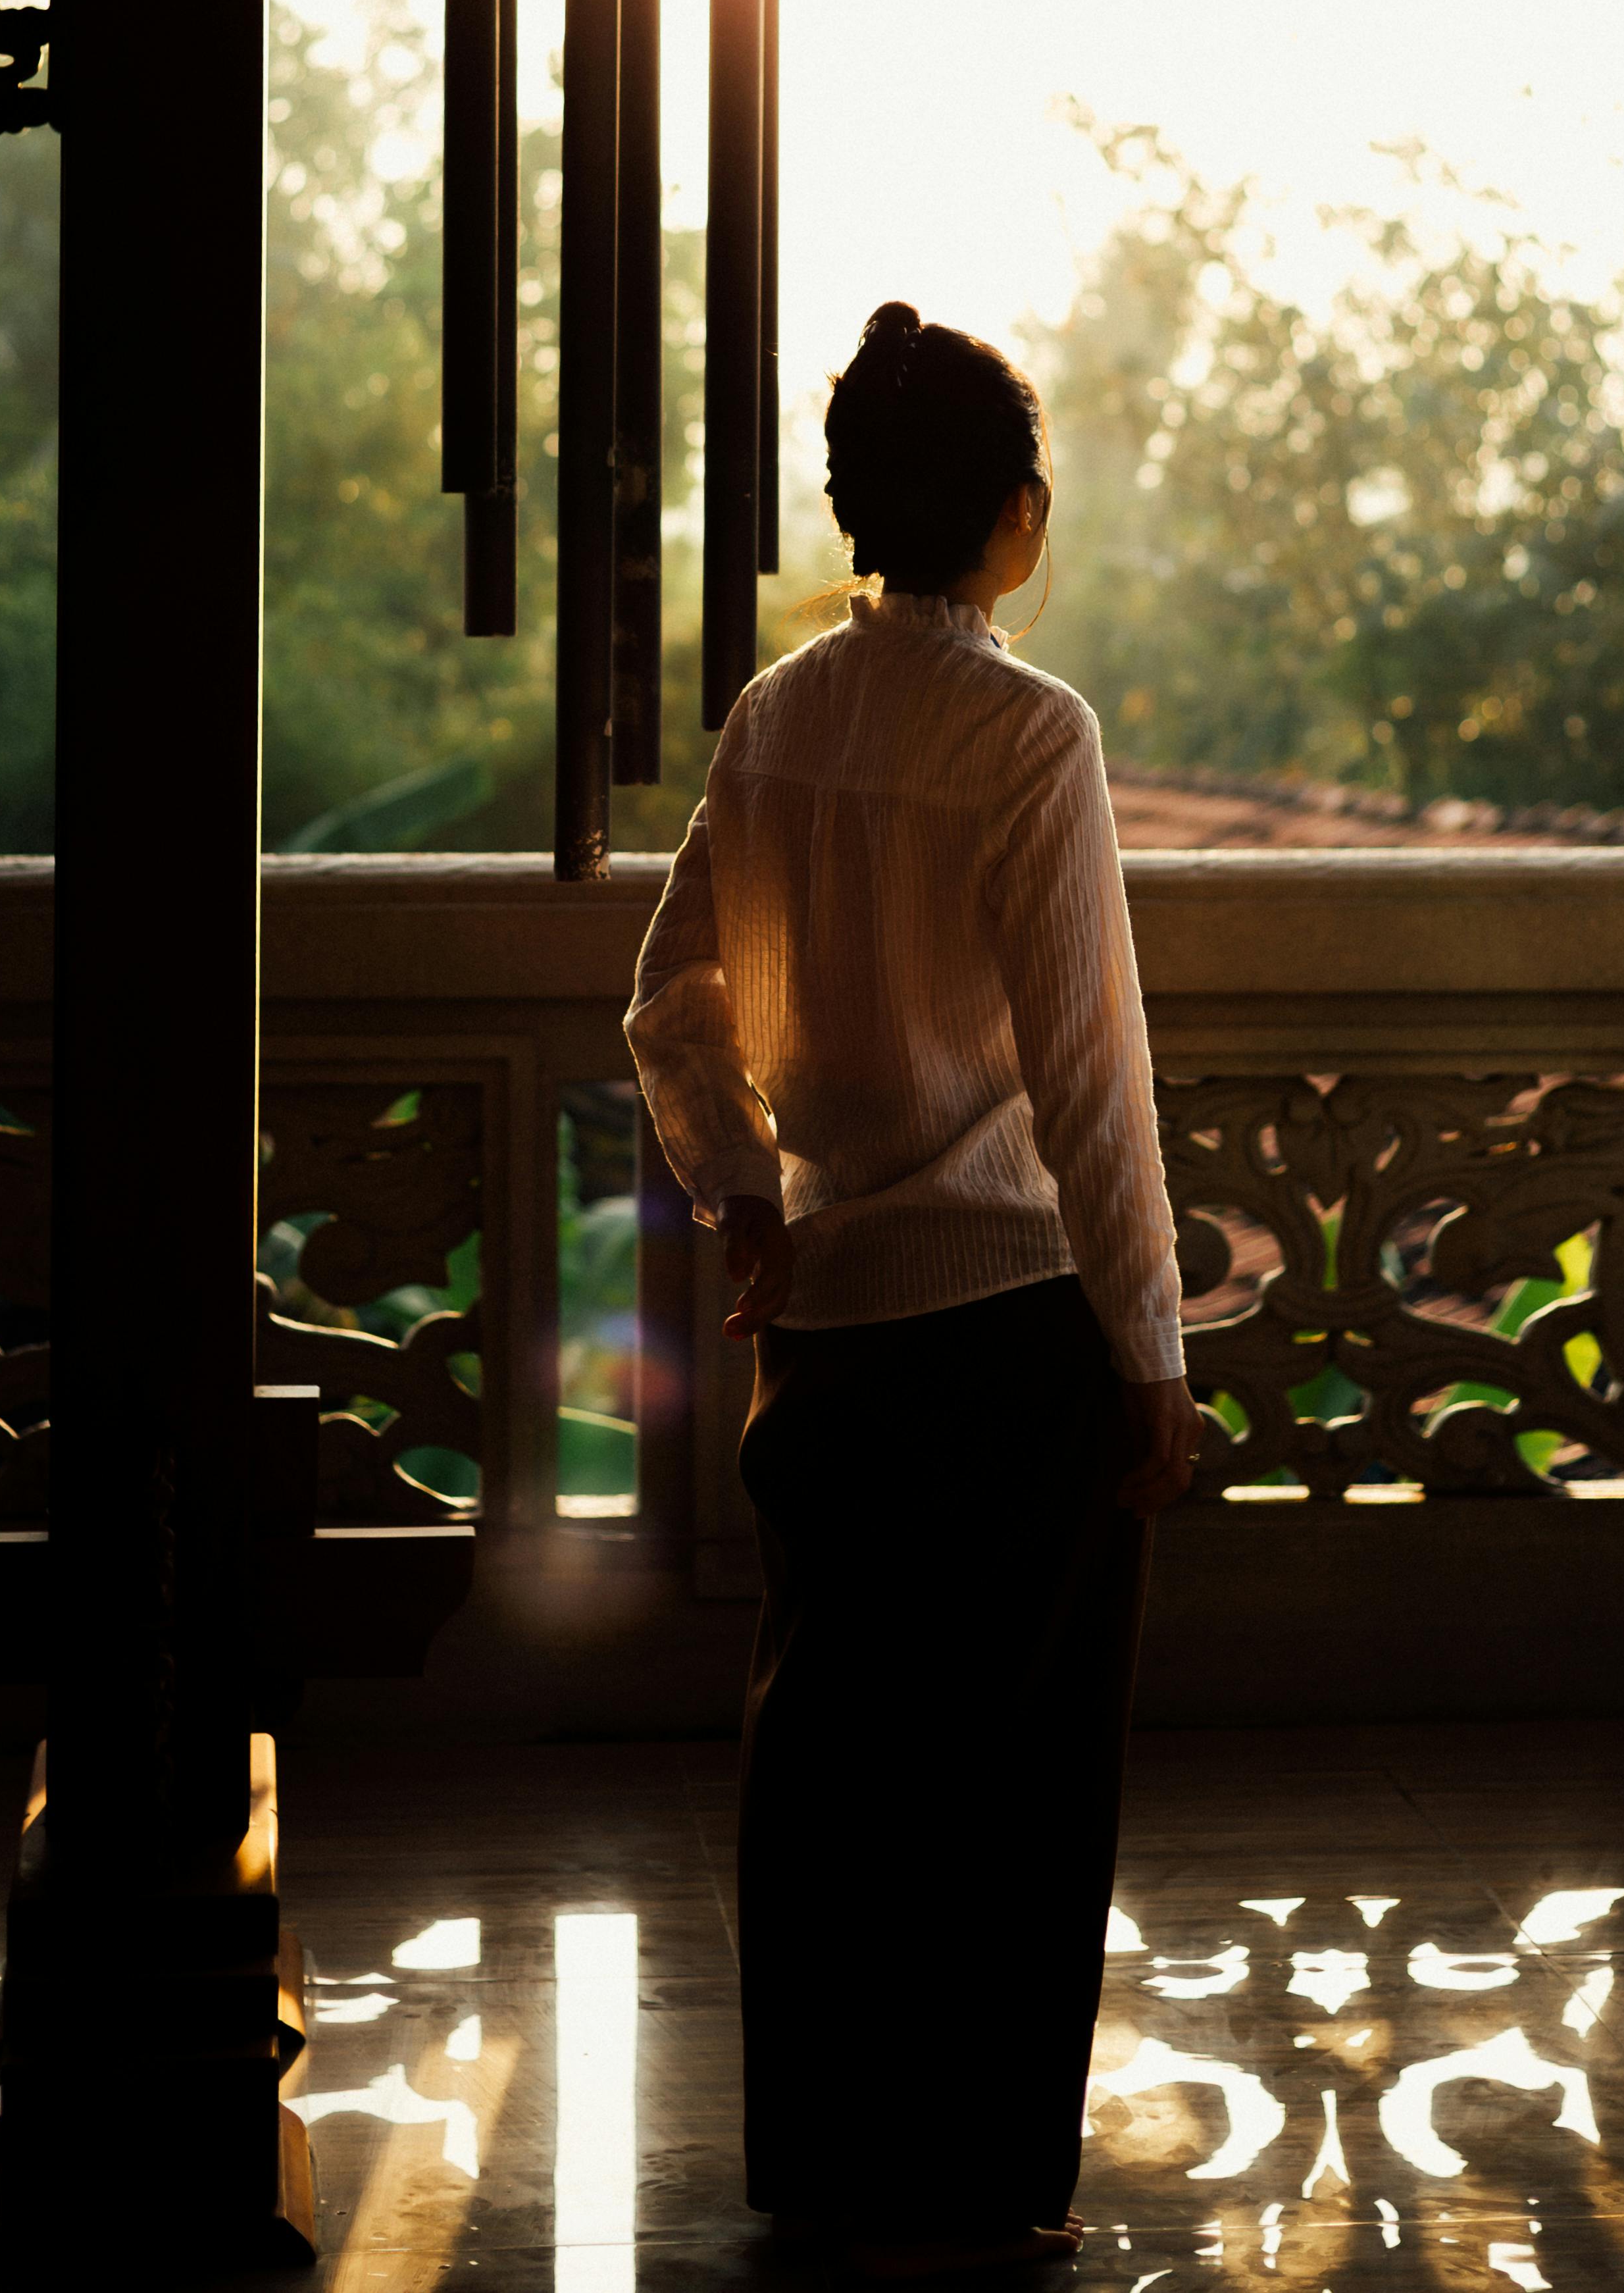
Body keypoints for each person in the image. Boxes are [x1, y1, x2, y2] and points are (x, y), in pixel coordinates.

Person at [626, 300, 1202, 2282]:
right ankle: (977, 2183)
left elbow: (665, 998)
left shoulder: (782, 718)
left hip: (835, 1338)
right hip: (1019, 1332)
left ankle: (823, 2158)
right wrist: (1151, 1353)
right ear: (1014, 522)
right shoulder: (1033, 735)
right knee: (1016, 1780)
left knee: (828, 1762)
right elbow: (1089, 1080)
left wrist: (741, 1198)